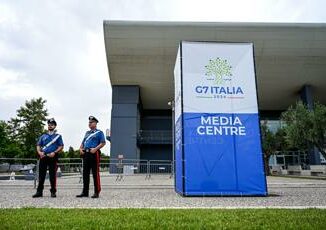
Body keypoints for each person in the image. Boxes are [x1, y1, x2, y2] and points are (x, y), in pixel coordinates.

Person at [33, 118, 64, 198]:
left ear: (55, 126)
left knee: (52, 175)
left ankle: (53, 191)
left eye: (52, 125)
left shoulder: (58, 136)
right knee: (41, 175)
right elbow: (38, 145)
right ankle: (39, 192)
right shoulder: (43, 136)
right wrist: (39, 152)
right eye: (49, 124)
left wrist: (54, 152)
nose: (50, 126)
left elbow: (61, 146)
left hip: (52, 157)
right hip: (43, 156)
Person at [77, 116, 106, 198]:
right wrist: (80, 148)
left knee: (95, 173)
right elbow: (83, 142)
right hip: (85, 154)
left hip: (94, 153)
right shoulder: (87, 133)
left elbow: (103, 142)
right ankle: (85, 192)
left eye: (91, 122)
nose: (89, 123)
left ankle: (97, 191)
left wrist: (96, 149)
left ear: (95, 123)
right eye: (89, 122)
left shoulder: (99, 132)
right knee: (85, 173)